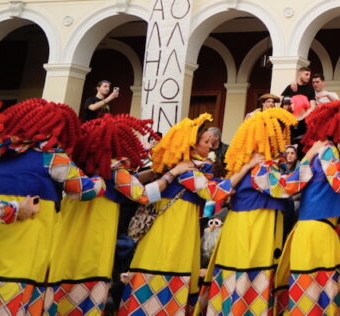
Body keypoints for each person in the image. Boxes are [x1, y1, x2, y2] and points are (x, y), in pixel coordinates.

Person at [48, 114, 183, 315]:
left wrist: (149, 174)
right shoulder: (115, 170)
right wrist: (171, 174)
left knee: (61, 280)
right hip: (94, 238)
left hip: (67, 233)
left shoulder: (83, 163)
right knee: (87, 285)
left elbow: (128, 181)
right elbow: (144, 195)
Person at [265, 100, 340, 316]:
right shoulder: (327, 151)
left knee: (318, 289)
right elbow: (338, 183)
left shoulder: (324, 152)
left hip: (317, 229)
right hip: (316, 231)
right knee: (321, 291)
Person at [119, 114, 235, 314]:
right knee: (168, 265)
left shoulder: (184, 166)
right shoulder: (186, 170)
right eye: (206, 142)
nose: (210, 146)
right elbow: (212, 192)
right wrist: (242, 172)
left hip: (178, 223)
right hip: (174, 225)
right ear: (190, 145)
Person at [0, 99, 105, 313]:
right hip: (26, 254)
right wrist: (100, 181)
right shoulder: (52, 158)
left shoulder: (2, 151)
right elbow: (85, 190)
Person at [198, 108, 299, 314]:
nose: (280, 139)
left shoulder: (249, 162)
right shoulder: (260, 165)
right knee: (247, 273)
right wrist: (309, 163)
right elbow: (284, 187)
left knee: (237, 273)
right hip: (253, 226)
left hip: (244, 224)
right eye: (278, 134)